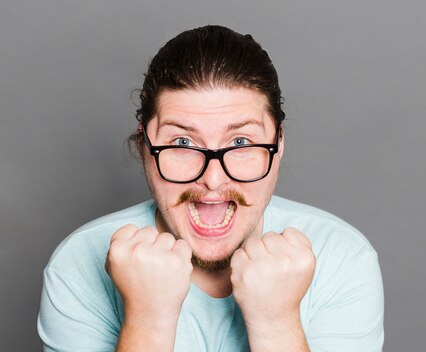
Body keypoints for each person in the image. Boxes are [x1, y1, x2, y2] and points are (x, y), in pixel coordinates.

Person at [38, 24, 384, 352]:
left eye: (240, 141)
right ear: (145, 146)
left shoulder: (342, 258)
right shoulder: (79, 262)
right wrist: (147, 319)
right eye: (183, 142)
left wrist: (276, 323)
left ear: (278, 145)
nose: (213, 181)